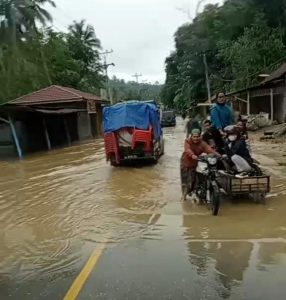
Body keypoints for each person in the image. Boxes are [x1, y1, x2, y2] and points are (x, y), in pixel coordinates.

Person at [180, 128, 217, 200]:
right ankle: (184, 196)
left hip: (195, 163)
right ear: (191, 136)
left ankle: (197, 192)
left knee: (194, 180)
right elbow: (187, 150)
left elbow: (209, 149)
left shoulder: (202, 143)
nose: (196, 138)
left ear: (200, 136)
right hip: (186, 163)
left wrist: (219, 156)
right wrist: (192, 155)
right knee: (186, 181)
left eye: (197, 136)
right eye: (194, 136)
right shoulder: (187, 141)